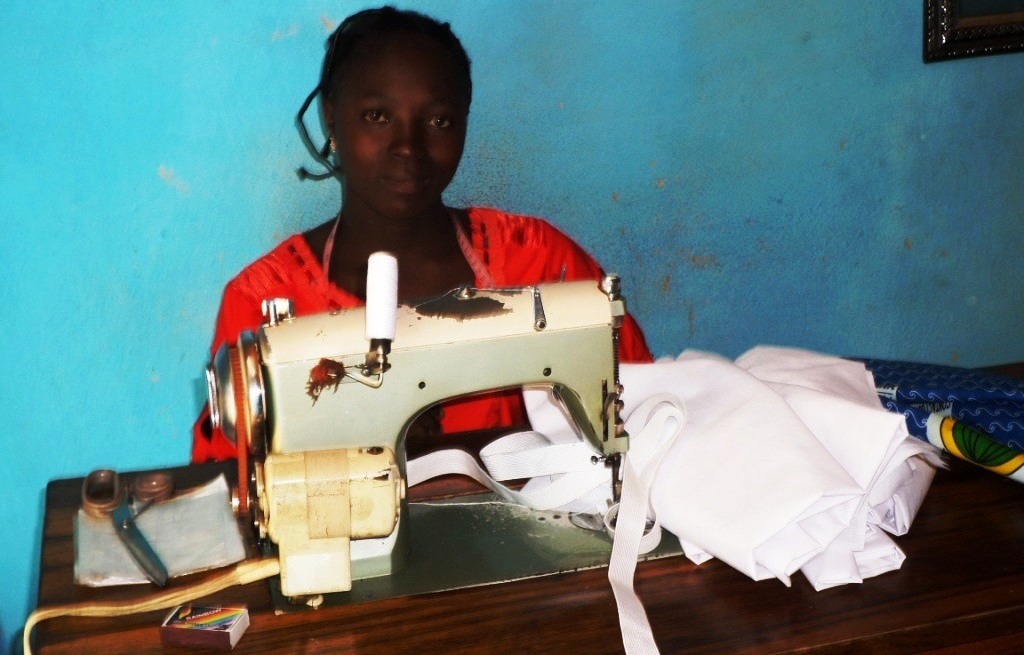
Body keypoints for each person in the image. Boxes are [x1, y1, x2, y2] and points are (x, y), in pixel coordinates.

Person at [191, 6, 652, 463]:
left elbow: (641, 401)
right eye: (377, 116)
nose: (408, 145)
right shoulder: (263, 303)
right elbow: (226, 480)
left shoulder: (539, 262)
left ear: (466, 123)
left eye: (439, 121)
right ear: (332, 118)